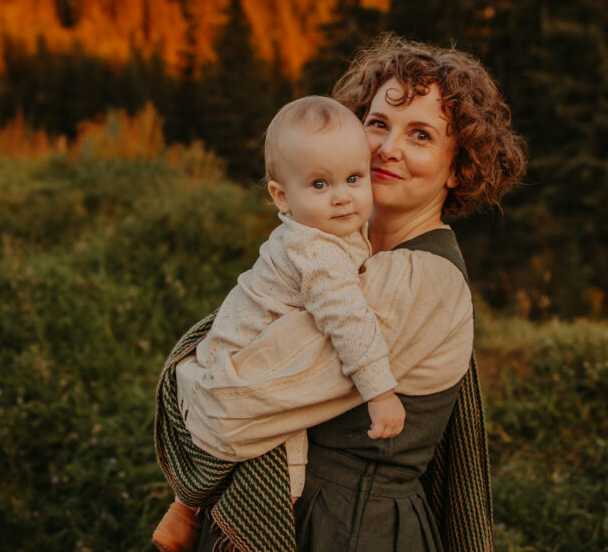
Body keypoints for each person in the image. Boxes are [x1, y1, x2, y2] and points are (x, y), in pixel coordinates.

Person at [153, 34, 526, 552]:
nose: (387, 148)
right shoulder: (335, 254)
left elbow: (229, 409)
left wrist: (187, 374)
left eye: (420, 135)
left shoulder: (423, 283)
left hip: (348, 532)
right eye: (377, 123)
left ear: (459, 166)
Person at [152, 96, 407, 552]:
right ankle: (252, 529)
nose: (342, 196)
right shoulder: (318, 250)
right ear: (281, 197)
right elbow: (349, 322)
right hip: (243, 357)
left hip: (226, 343)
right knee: (279, 447)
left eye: (354, 178)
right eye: (319, 184)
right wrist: (380, 393)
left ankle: (183, 509)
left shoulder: (322, 229)